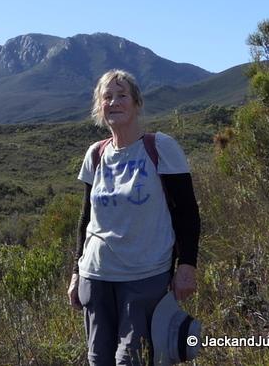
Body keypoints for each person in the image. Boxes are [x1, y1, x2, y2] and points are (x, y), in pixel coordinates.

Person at [67, 69, 201, 365]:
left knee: (132, 359)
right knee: (98, 359)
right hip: (97, 276)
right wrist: (76, 272)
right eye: (107, 97)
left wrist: (187, 265)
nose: (114, 102)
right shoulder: (95, 154)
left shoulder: (160, 147)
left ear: (137, 103)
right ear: (99, 107)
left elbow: (188, 213)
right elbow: (85, 218)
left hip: (145, 276)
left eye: (121, 95)